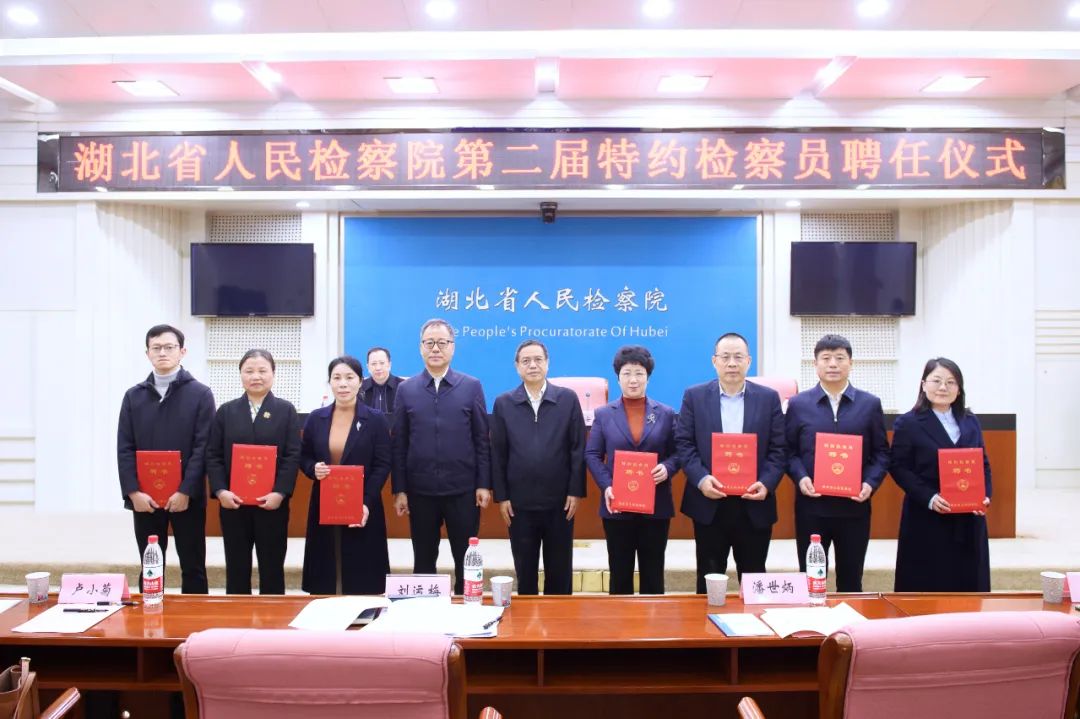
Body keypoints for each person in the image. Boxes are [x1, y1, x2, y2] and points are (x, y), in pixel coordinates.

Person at [676, 332, 786, 591]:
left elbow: (779, 448)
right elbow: (684, 444)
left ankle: (754, 620)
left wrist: (766, 483)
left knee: (755, 580)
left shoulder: (769, 398)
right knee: (709, 579)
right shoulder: (694, 396)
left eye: (738, 357)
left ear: (749, 361)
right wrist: (701, 480)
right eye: (725, 357)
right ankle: (708, 619)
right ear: (714, 361)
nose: (732, 363)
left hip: (754, 504)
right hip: (709, 504)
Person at [391, 319, 491, 595]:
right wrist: (400, 489)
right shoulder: (406, 389)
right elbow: (399, 443)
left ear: (452, 347)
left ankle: (467, 607)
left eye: (442, 343)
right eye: (429, 343)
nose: (435, 348)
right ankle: (425, 611)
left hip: (463, 490)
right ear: (421, 348)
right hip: (420, 491)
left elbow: (481, 439)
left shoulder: (471, 386)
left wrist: (483, 484)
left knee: (466, 559)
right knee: (423, 558)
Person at [784, 334, 890, 593]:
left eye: (840, 358)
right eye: (826, 358)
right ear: (815, 364)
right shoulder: (798, 404)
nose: (833, 364)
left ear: (851, 363)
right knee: (810, 578)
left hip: (854, 508)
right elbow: (788, 450)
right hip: (812, 507)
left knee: (851, 581)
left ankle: (848, 621)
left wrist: (869, 483)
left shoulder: (869, 404)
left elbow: (881, 453)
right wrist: (800, 477)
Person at [116, 324, 215, 594]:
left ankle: (195, 616)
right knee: (150, 564)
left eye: (169, 347)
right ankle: (149, 614)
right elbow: (124, 447)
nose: (162, 352)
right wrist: (133, 492)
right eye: (156, 347)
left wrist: (186, 491)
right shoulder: (133, 396)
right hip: (145, 498)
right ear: (147, 353)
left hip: (186, 498)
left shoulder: (200, 394)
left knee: (193, 565)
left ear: (182, 352)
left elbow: (203, 447)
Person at [491, 340, 585, 595]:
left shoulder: (567, 399)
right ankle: (527, 619)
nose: (532, 365)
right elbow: (497, 453)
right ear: (517, 366)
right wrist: (502, 497)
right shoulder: (504, 403)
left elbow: (577, 448)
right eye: (526, 361)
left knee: (560, 573)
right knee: (525, 573)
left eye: (538, 360)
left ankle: (559, 619)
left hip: (560, 503)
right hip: (519, 504)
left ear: (547, 363)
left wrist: (575, 491)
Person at [890, 357, 992, 591]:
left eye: (951, 382)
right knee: (928, 582)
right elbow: (898, 466)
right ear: (924, 385)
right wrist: (929, 497)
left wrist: (985, 495)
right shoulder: (908, 423)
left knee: (968, 583)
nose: (943, 387)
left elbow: (983, 463)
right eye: (936, 380)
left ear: (959, 389)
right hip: (927, 515)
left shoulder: (970, 421)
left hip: (968, 517)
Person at [585, 345, 680, 594]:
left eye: (639, 373)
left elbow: (679, 452)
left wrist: (667, 467)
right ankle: (620, 620)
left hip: (656, 506)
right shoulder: (604, 414)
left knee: (653, 574)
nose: (633, 380)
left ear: (648, 377)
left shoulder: (666, 413)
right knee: (620, 574)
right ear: (618, 378)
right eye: (627, 373)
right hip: (617, 505)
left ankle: (652, 619)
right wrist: (607, 485)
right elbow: (592, 454)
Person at [206, 349, 301, 595]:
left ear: (273, 374)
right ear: (241, 375)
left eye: (262, 370)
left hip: (272, 504)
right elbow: (213, 455)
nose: (256, 376)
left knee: (272, 565)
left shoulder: (285, 410)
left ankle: (273, 616)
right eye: (249, 371)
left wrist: (280, 493)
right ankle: (237, 614)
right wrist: (220, 491)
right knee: (236, 566)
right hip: (233, 503)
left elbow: (292, 456)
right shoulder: (226, 411)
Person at [300, 355, 391, 595]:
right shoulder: (316, 418)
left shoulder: (375, 419)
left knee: (362, 570)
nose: (343, 384)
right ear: (329, 382)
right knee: (325, 564)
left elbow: (382, 464)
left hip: (363, 503)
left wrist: (366, 502)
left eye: (349, 377)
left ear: (360, 381)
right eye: (337, 378)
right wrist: (313, 468)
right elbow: (304, 456)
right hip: (325, 503)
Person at [360, 347, 402, 414]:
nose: (378, 368)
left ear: (389, 365)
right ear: (368, 367)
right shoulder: (360, 388)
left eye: (382, 363)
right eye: (374, 364)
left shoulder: (402, 387)